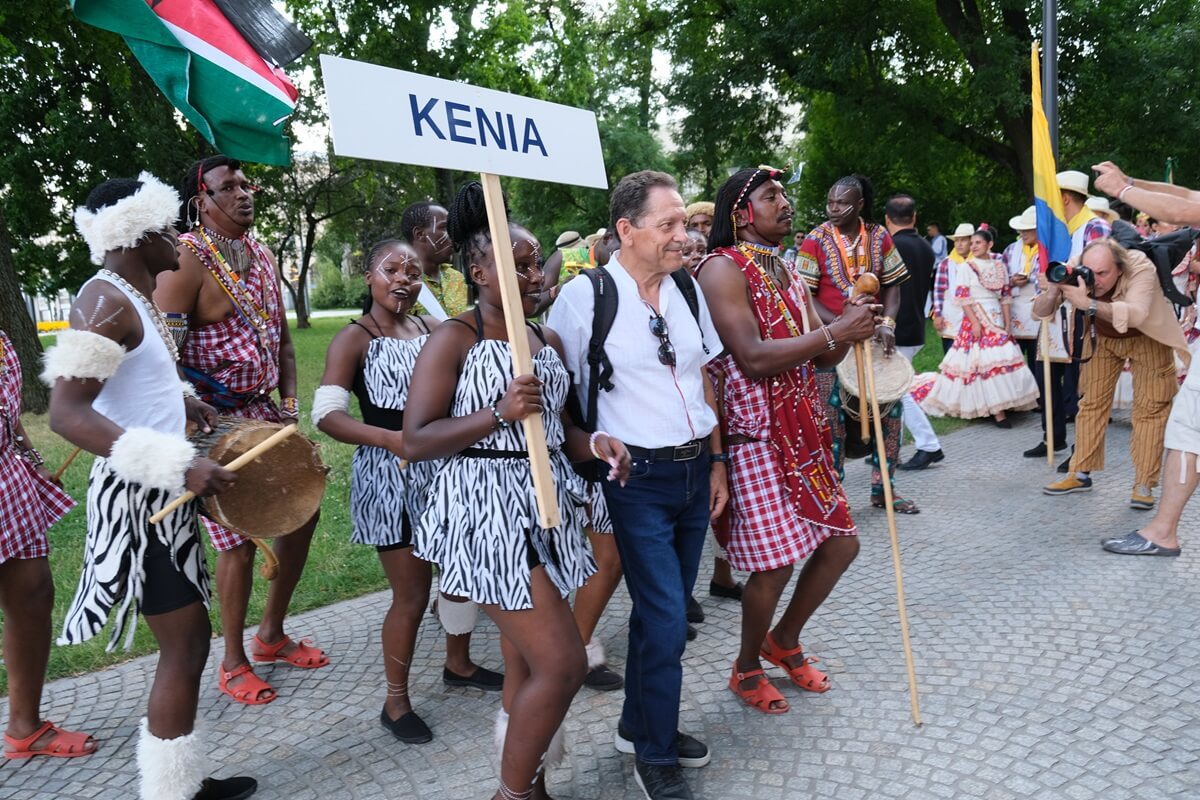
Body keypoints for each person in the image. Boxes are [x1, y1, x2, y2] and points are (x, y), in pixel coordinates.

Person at [404, 181, 630, 800]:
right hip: (483, 513)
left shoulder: (544, 339)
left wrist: (597, 445)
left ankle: (530, 780)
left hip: (547, 504)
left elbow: (564, 432)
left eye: (536, 263)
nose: (537, 274)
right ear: (480, 270)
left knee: (528, 662)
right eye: (522, 263)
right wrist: (496, 414)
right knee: (561, 664)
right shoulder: (455, 337)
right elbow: (418, 437)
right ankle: (511, 794)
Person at [48, 173, 254, 799]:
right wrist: (178, 463)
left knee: (189, 642)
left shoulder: (131, 297)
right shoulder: (105, 302)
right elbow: (67, 414)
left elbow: (131, 388)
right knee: (186, 644)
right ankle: (171, 794)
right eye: (168, 227)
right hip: (141, 496)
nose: (178, 239)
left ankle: (179, 784)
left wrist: (184, 402)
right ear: (138, 233)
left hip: (161, 489)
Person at [549, 170, 727, 800]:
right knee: (668, 615)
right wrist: (591, 449)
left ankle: (638, 724)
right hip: (635, 479)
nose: (685, 235)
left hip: (689, 472)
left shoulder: (686, 287)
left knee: (666, 614)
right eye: (669, 224)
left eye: (685, 222)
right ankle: (654, 754)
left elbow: (704, 378)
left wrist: (716, 462)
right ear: (626, 230)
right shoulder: (585, 297)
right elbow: (559, 392)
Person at [696, 166, 876, 714]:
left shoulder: (786, 271)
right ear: (740, 212)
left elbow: (823, 354)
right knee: (773, 564)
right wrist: (834, 330)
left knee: (842, 542)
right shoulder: (721, 268)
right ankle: (746, 666)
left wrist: (852, 324)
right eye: (770, 196)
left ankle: (784, 641)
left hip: (802, 431)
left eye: (784, 194)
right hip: (753, 435)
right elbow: (749, 358)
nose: (786, 204)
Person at [312, 239, 502, 742]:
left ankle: (457, 664)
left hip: (445, 467)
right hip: (391, 475)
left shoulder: (432, 328)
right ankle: (395, 702)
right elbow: (326, 416)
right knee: (412, 593)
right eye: (391, 269)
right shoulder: (354, 338)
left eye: (413, 272)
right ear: (368, 277)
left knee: (459, 574)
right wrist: (392, 439)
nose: (403, 279)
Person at [155, 155, 327, 707]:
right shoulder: (186, 258)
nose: (244, 193)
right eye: (228, 187)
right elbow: (162, 354)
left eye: (247, 184)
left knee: (303, 505)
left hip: (266, 412)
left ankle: (271, 633)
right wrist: (190, 413)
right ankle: (233, 661)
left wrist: (291, 403)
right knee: (239, 540)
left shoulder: (260, 252)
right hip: (215, 420)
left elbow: (278, 340)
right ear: (200, 199)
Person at [797, 175, 919, 514]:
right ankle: (834, 497)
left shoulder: (880, 236)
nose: (834, 209)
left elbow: (893, 285)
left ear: (861, 204)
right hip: (832, 343)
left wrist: (888, 324)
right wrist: (839, 325)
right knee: (830, 418)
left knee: (890, 414)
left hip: (874, 339)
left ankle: (885, 489)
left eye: (842, 203)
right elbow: (804, 295)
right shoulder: (814, 240)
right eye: (830, 203)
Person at [1039, 239, 1190, 508]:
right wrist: (1054, 290)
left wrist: (1086, 303)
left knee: (1150, 410)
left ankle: (1144, 482)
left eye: (1103, 273)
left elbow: (1136, 314)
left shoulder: (1140, 267)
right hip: (1103, 338)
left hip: (1148, 336)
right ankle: (1080, 472)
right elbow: (1039, 312)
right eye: (1090, 272)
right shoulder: (1076, 268)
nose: (1095, 279)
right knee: (1090, 404)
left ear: (1119, 269)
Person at [1, 330, 93, 761]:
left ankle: (25, 727)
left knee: (34, 595)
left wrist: (34, 463)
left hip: (6, 474)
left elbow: (7, 412)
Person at [915, 228, 1040, 423]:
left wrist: (1007, 324)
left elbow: (1006, 296)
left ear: (989, 244)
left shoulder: (999, 265)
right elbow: (963, 298)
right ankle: (997, 412)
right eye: (972, 243)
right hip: (977, 315)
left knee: (1003, 358)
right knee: (981, 361)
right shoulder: (967, 266)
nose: (973, 246)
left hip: (996, 316)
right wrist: (974, 322)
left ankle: (1006, 403)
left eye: (977, 243)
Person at [883, 195, 945, 470]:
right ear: (914, 217)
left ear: (887, 219)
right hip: (916, 325)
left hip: (895, 327)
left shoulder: (891, 246)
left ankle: (928, 444)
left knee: (898, 391)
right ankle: (885, 446)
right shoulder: (925, 246)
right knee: (890, 390)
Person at [1004, 207, 1067, 457]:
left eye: (1027, 229)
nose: (1022, 233)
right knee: (1044, 376)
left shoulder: (1055, 249)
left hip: (1058, 315)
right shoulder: (1012, 249)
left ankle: (1074, 442)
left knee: (1066, 379)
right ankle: (1051, 435)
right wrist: (1011, 280)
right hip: (1026, 310)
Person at [400, 200, 470, 319]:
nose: (452, 235)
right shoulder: (400, 283)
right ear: (419, 234)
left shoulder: (456, 278)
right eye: (444, 228)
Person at [931, 223, 974, 354]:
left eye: (963, 240)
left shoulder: (978, 261)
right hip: (952, 311)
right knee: (951, 351)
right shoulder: (946, 263)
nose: (959, 244)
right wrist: (938, 314)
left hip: (973, 311)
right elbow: (938, 291)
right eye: (957, 241)